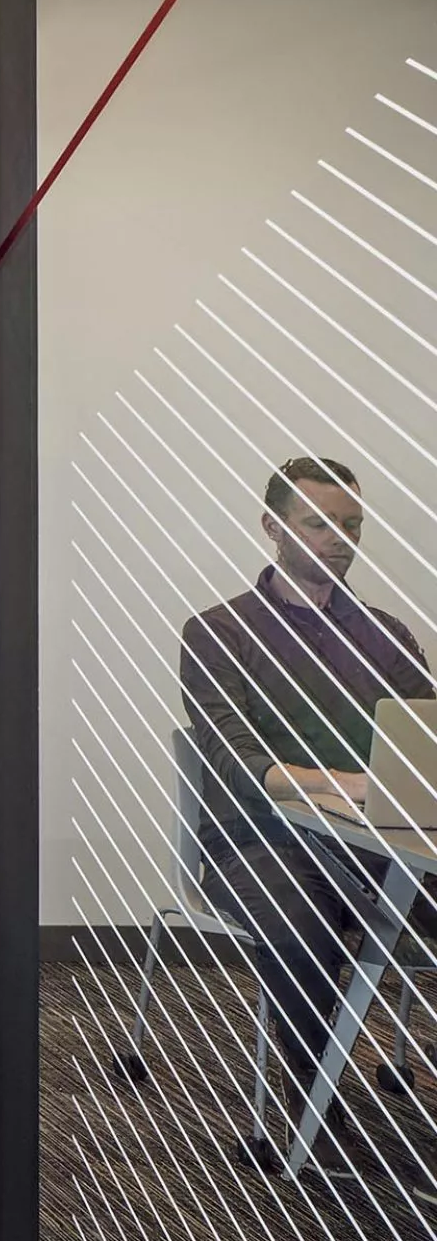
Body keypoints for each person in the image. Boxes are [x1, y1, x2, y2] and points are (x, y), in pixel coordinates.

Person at [180, 456, 435, 1179]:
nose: (336, 538)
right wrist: (342, 785)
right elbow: (235, 756)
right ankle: (314, 1099)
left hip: (377, 842)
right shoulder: (217, 632)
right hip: (256, 842)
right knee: (300, 913)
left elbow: (427, 739)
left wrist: (383, 791)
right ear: (273, 527)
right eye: (317, 524)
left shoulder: (386, 635)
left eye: (349, 524)